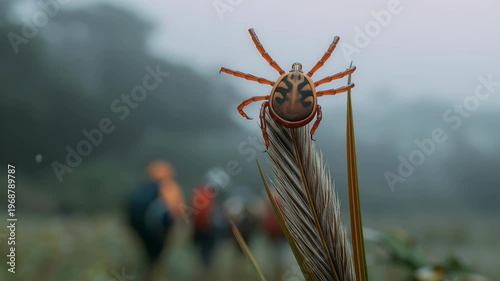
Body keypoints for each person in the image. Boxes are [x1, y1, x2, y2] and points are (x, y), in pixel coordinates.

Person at [126, 160, 185, 281]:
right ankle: (153, 273)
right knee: (157, 255)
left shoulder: (144, 187)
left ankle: (148, 271)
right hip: (160, 230)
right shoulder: (170, 187)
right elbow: (177, 210)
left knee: (148, 254)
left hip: (140, 229)